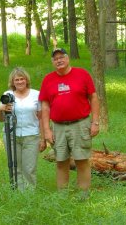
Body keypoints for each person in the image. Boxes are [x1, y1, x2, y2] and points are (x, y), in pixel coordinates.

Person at [38, 48, 99, 195]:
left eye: (61, 57)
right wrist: (46, 130)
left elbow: (94, 98)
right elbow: (45, 106)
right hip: (58, 126)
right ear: (53, 62)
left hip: (80, 124)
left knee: (82, 160)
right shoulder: (48, 79)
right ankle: (62, 195)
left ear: (68, 58)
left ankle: (83, 195)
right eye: (55, 58)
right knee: (61, 161)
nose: (59, 60)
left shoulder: (82, 74)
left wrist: (95, 122)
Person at [0, 67, 46, 190]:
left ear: (26, 80)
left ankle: (29, 194)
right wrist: (0, 109)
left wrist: (43, 138)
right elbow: (0, 118)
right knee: (15, 166)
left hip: (31, 135)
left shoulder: (36, 94)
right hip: (12, 136)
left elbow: (41, 117)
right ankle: (18, 193)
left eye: (22, 79)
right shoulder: (7, 95)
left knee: (29, 168)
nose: (19, 82)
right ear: (12, 82)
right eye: (16, 80)